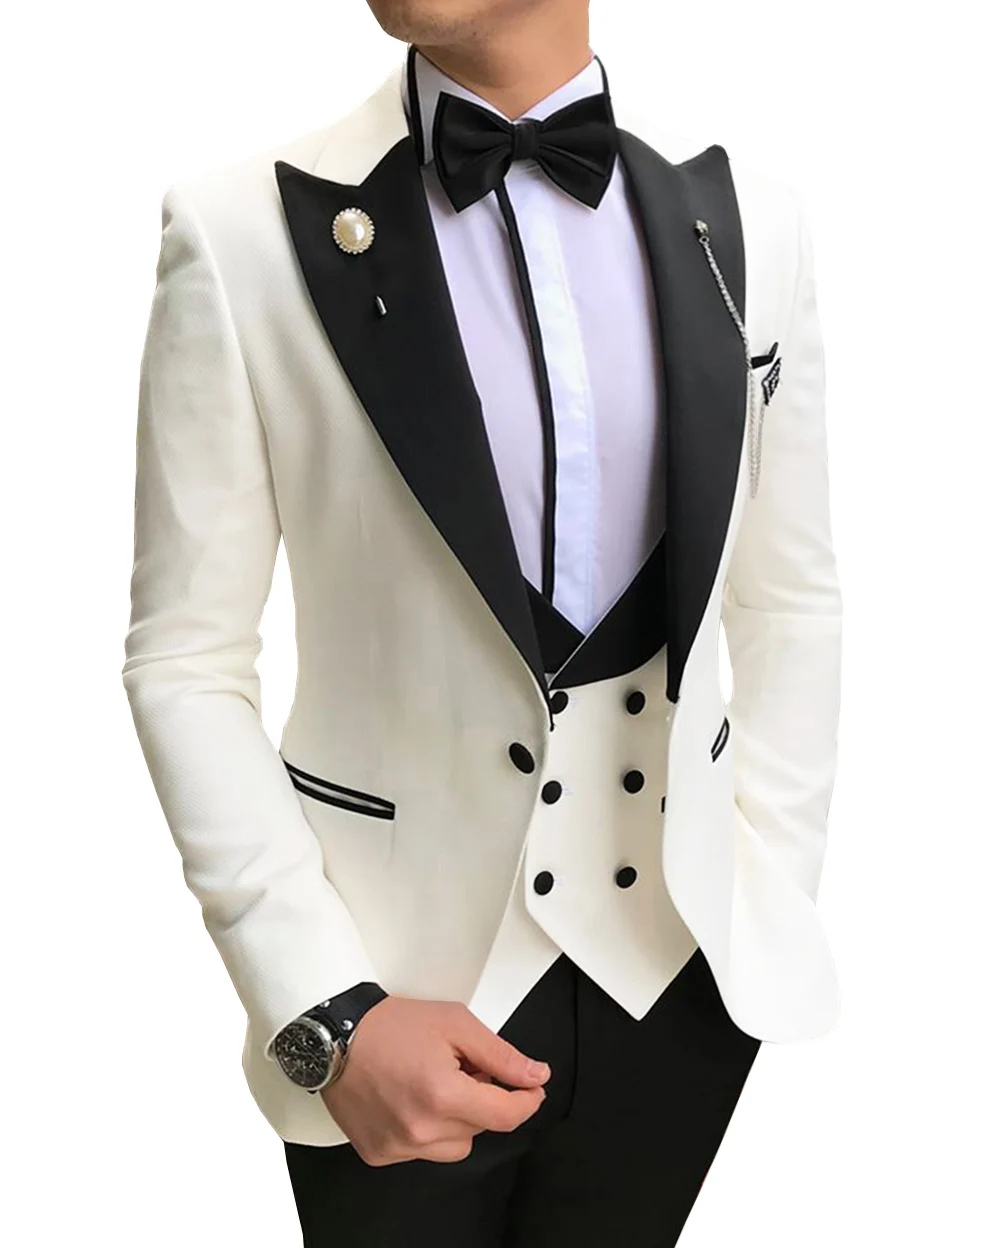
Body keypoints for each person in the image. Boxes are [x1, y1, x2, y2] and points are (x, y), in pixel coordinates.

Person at [121, 0, 843, 1243]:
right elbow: (185, 658)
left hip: (678, 985)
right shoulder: (240, 229)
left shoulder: (748, 218)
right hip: (393, 1006)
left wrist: (763, 889)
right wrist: (325, 1009)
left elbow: (791, 596)